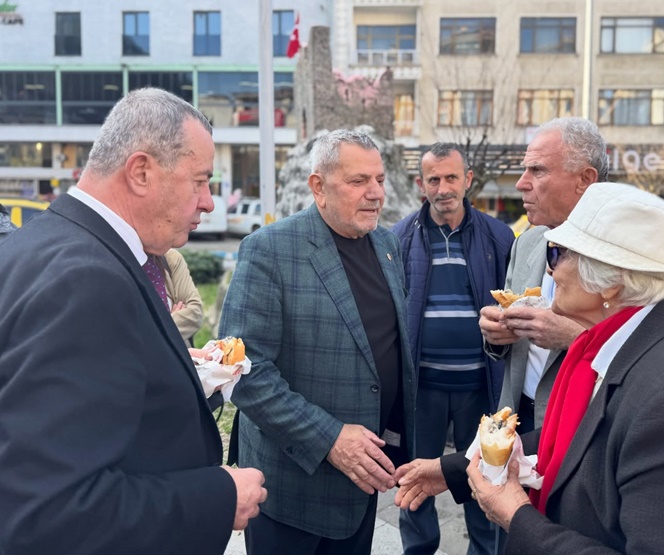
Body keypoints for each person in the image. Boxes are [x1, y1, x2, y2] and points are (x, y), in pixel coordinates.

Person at [395, 182, 664, 554]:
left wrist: (516, 516)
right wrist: (455, 469)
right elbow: (576, 441)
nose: (550, 270)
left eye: (558, 253)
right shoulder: (625, 346)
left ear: (610, 283)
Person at [0, 88, 267, 555]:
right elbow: (51, 514)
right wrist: (220, 497)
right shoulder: (88, 280)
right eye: (200, 181)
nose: (208, 202)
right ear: (141, 172)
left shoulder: (42, 241)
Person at [219, 129, 416, 555]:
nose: (375, 193)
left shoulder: (387, 245)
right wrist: (329, 439)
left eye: (379, 180)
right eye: (358, 181)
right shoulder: (269, 250)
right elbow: (244, 371)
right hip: (290, 489)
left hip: (362, 483)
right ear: (318, 187)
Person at [479, 117, 664, 435]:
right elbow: (514, 344)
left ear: (585, 179)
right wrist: (497, 334)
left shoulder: (648, 247)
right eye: (524, 169)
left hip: (593, 426)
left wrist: (578, 338)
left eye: (537, 170)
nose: (521, 183)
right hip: (519, 418)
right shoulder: (528, 241)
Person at [392, 143, 514, 555]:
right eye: (433, 179)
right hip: (421, 389)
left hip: (481, 388)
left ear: (468, 180)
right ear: (420, 184)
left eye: (451, 178)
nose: (443, 188)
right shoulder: (398, 239)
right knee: (414, 481)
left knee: (482, 480)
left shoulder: (498, 237)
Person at [151, 248, 204, 345]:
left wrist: (154, 331)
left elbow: (195, 312)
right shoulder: (122, 266)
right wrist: (172, 321)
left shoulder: (170, 258)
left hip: (182, 353)